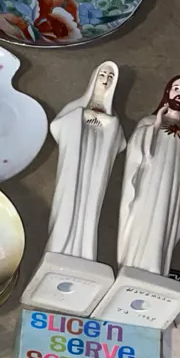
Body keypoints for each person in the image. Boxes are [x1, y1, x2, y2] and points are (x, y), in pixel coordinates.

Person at [118, 76, 180, 274]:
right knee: (142, 221)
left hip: (172, 188)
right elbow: (138, 151)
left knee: (162, 225)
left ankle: (155, 270)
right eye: (177, 89)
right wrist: (156, 124)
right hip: (149, 183)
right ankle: (131, 266)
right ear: (168, 92)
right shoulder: (149, 122)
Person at [46, 61, 126, 260]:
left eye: (110, 77)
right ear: (94, 78)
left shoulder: (112, 116)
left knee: (89, 209)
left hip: (95, 168)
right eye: (103, 75)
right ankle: (57, 248)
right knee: (66, 202)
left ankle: (84, 253)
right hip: (74, 163)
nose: (106, 80)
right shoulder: (76, 107)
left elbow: (120, 143)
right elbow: (57, 126)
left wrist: (110, 123)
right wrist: (82, 116)